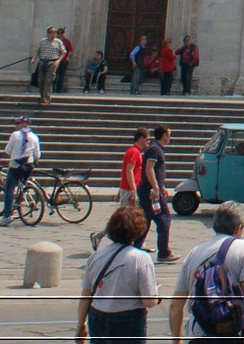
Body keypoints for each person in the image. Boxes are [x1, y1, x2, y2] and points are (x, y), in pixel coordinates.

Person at [169, 201, 244, 344]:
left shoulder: (194, 252)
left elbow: (175, 305)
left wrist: (177, 341)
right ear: (239, 228)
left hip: (199, 333)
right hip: (234, 332)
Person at [76, 204, 159, 344]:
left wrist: (81, 326)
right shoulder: (141, 258)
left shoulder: (96, 256)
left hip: (98, 316)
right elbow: (149, 301)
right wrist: (157, 294)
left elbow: (86, 296)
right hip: (128, 319)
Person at [93, 128, 150, 251]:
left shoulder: (133, 151)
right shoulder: (134, 152)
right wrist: (134, 190)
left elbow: (124, 172)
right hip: (130, 190)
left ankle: (138, 242)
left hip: (127, 189)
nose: (148, 142)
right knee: (126, 218)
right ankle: (100, 236)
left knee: (129, 217)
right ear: (141, 138)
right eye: (147, 139)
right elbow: (129, 171)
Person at [138, 126, 175, 261]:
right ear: (164, 135)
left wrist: (161, 185)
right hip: (151, 192)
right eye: (169, 134)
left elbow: (156, 171)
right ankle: (164, 253)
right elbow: (149, 168)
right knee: (164, 218)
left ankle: (134, 248)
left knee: (146, 219)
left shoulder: (155, 148)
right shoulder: (154, 149)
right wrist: (156, 188)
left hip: (150, 190)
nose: (170, 137)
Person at [0, 115, 41, 225]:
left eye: (17, 123)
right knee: (23, 185)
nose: (15, 125)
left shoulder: (15, 135)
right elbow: (37, 154)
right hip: (28, 166)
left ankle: (8, 215)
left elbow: (7, 151)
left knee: (9, 190)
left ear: (24, 124)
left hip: (15, 166)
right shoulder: (35, 137)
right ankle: (22, 198)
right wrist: (35, 161)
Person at [32, 26, 64, 106]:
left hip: (52, 62)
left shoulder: (58, 42)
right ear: (48, 33)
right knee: (41, 81)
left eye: (55, 32)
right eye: (52, 32)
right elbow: (38, 51)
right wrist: (33, 58)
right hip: (43, 62)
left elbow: (63, 52)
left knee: (48, 81)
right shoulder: (43, 41)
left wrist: (58, 61)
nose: (54, 34)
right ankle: (42, 97)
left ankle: (46, 100)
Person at [54, 26, 74, 95]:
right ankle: (54, 88)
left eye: (60, 33)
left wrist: (68, 57)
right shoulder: (54, 40)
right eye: (58, 33)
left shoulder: (66, 41)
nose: (59, 35)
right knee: (55, 74)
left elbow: (70, 50)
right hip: (55, 60)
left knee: (61, 75)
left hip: (64, 60)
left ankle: (58, 89)